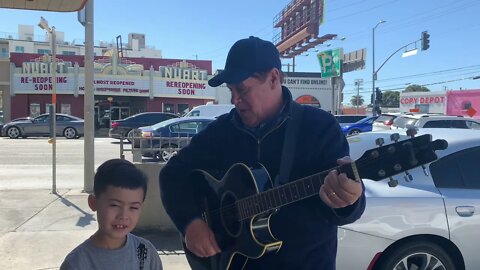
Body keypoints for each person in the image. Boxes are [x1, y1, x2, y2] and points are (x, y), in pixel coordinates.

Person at [159, 36, 365, 270]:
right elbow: (172, 174)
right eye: (231, 90)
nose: (235, 99)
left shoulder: (319, 128)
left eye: (242, 89)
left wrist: (350, 201)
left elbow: (344, 211)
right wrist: (191, 222)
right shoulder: (220, 132)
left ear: (274, 78)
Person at [60, 159, 163, 270]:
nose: (123, 215)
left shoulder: (146, 253)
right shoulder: (76, 264)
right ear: (93, 203)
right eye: (114, 205)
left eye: (133, 207)